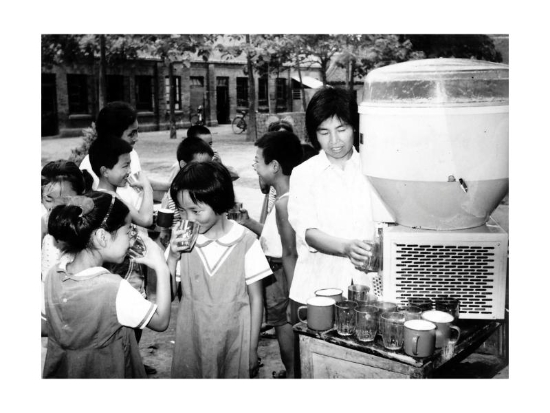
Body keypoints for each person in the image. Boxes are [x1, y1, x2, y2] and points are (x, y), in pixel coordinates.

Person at [287, 87, 394, 323]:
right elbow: (308, 233)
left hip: (370, 289)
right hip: (318, 290)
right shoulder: (304, 174)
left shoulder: (375, 169)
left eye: (341, 129)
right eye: (324, 132)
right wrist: (346, 247)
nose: (334, 141)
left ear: (355, 127)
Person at [41, 191, 171, 378]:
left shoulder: (54, 274)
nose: (131, 238)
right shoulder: (114, 288)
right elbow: (161, 321)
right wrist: (161, 267)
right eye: (128, 231)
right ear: (102, 236)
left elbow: (47, 326)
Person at [167, 161, 271, 378]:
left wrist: (252, 349)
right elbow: (167, 296)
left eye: (195, 211)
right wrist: (173, 258)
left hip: (235, 343)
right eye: (182, 211)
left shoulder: (246, 242)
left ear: (220, 202)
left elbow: (256, 299)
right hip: (192, 341)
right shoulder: (181, 244)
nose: (188, 219)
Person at [239, 131, 303, 378]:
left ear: (274, 166)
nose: (255, 166)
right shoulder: (288, 196)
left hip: (283, 277)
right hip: (283, 274)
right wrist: (249, 223)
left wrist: (293, 297)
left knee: (286, 332)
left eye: (258, 161)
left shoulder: (284, 202)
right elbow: (276, 238)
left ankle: (293, 375)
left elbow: (289, 252)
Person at [79, 101, 159, 208]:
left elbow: (139, 182)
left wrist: (172, 186)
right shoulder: (90, 167)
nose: (136, 138)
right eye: (131, 134)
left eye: (137, 131)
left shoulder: (130, 154)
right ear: (113, 137)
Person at [41, 160, 93, 279]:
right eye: (49, 199)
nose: (55, 208)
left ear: (80, 196)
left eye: (64, 200)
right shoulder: (43, 222)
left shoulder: (87, 222)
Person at [88, 138, 154, 229]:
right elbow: (146, 221)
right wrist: (147, 187)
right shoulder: (112, 200)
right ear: (105, 171)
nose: (129, 170)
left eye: (129, 165)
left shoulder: (100, 194)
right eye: (125, 166)